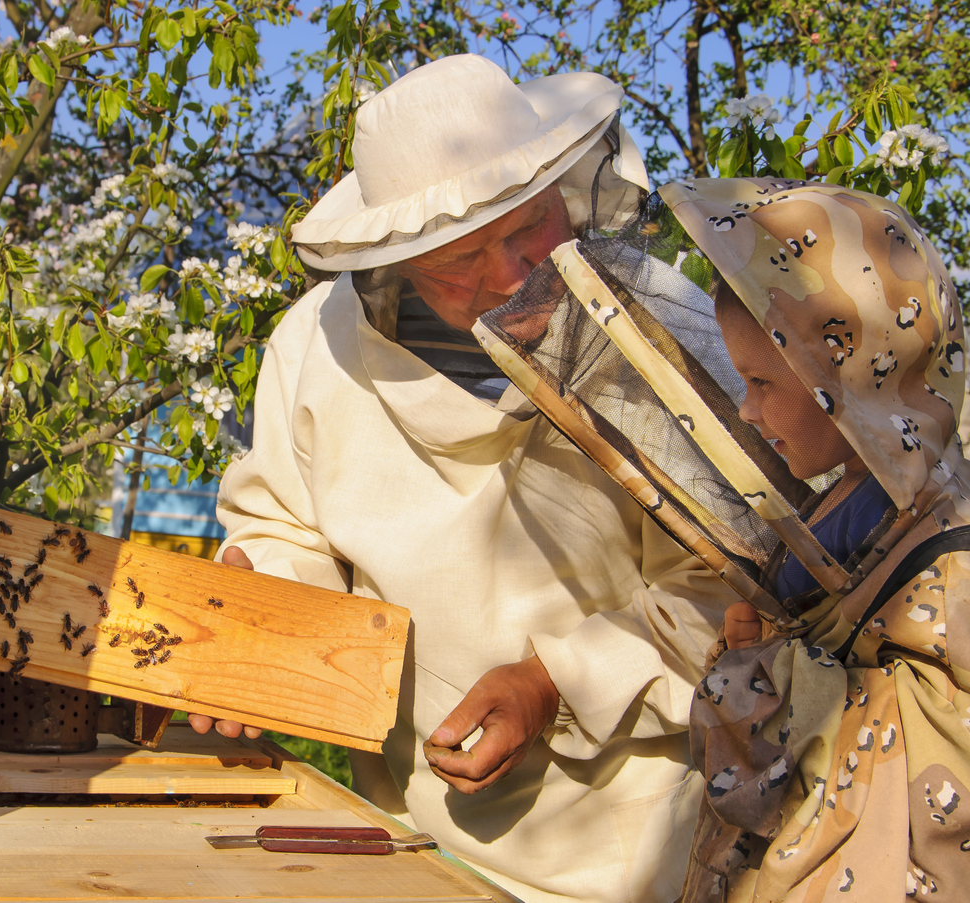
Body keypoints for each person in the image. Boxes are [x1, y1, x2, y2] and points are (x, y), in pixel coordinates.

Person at [190, 54, 735, 902]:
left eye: (531, 227)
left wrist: (553, 681)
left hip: (640, 845)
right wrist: (261, 607)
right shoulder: (314, 349)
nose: (514, 273)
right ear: (399, 258)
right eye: (463, 259)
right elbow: (285, 528)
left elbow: (727, 591)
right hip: (401, 834)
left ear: (567, 189)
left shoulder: (669, 338)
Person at [477, 176, 970, 900]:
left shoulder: (944, 548)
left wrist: (762, 681)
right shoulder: (852, 512)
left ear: (841, 380)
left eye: (759, 381)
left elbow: (951, 760)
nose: (746, 410)